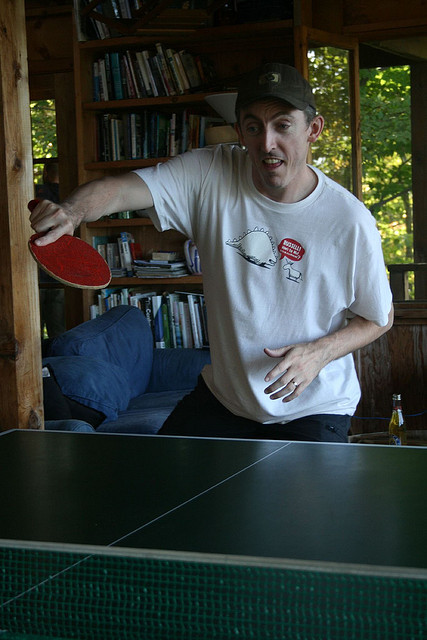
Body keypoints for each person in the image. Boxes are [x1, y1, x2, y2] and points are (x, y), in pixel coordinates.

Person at [29, 63, 393, 442]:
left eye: (283, 125)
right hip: (224, 401)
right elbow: (119, 190)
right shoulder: (208, 173)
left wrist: (319, 353)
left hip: (312, 408)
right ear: (240, 132)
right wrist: (71, 212)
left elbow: (379, 317)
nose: (267, 143)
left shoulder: (348, 220)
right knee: (151, 477)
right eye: (254, 127)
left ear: (312, 129)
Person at [35, 161, 65, 337]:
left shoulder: (35, 194)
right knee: (58, 331)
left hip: (35, 271)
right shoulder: (68, 195)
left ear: (45, 173)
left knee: (33, 331)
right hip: (58, 271)